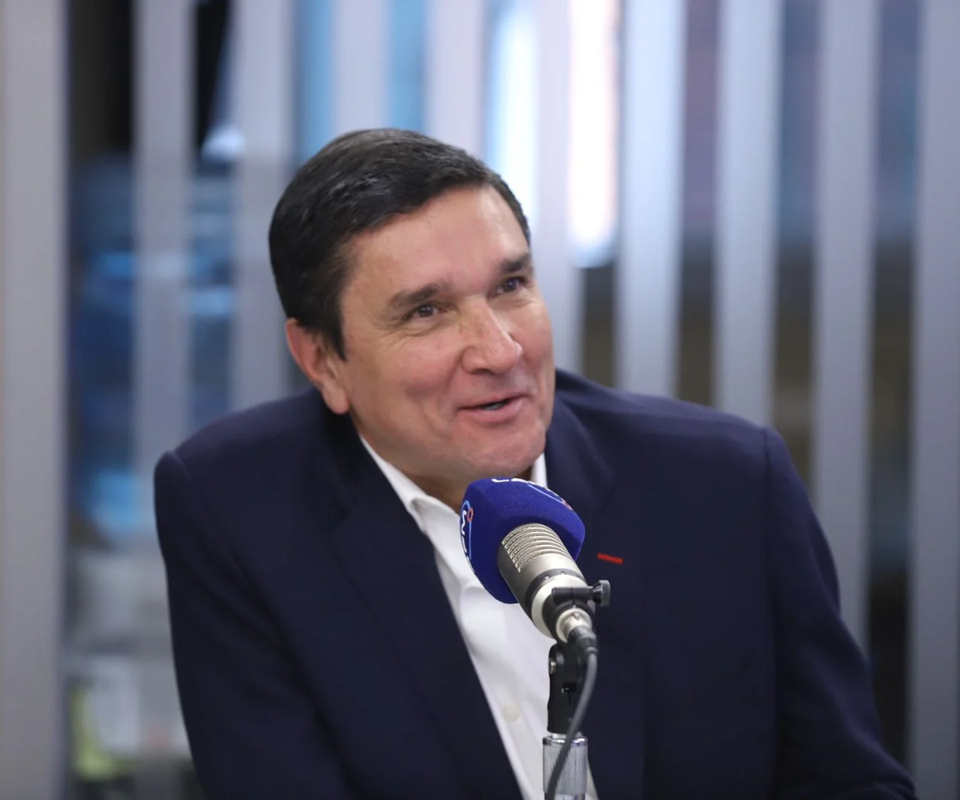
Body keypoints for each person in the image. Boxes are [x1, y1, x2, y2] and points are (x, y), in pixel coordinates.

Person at [154, 128, 915, 800]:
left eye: (511, 286)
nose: (500, 350)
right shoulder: (237, 512)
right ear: (322, 359)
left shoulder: (726, 486)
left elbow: (851, 781)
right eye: (426, 311)